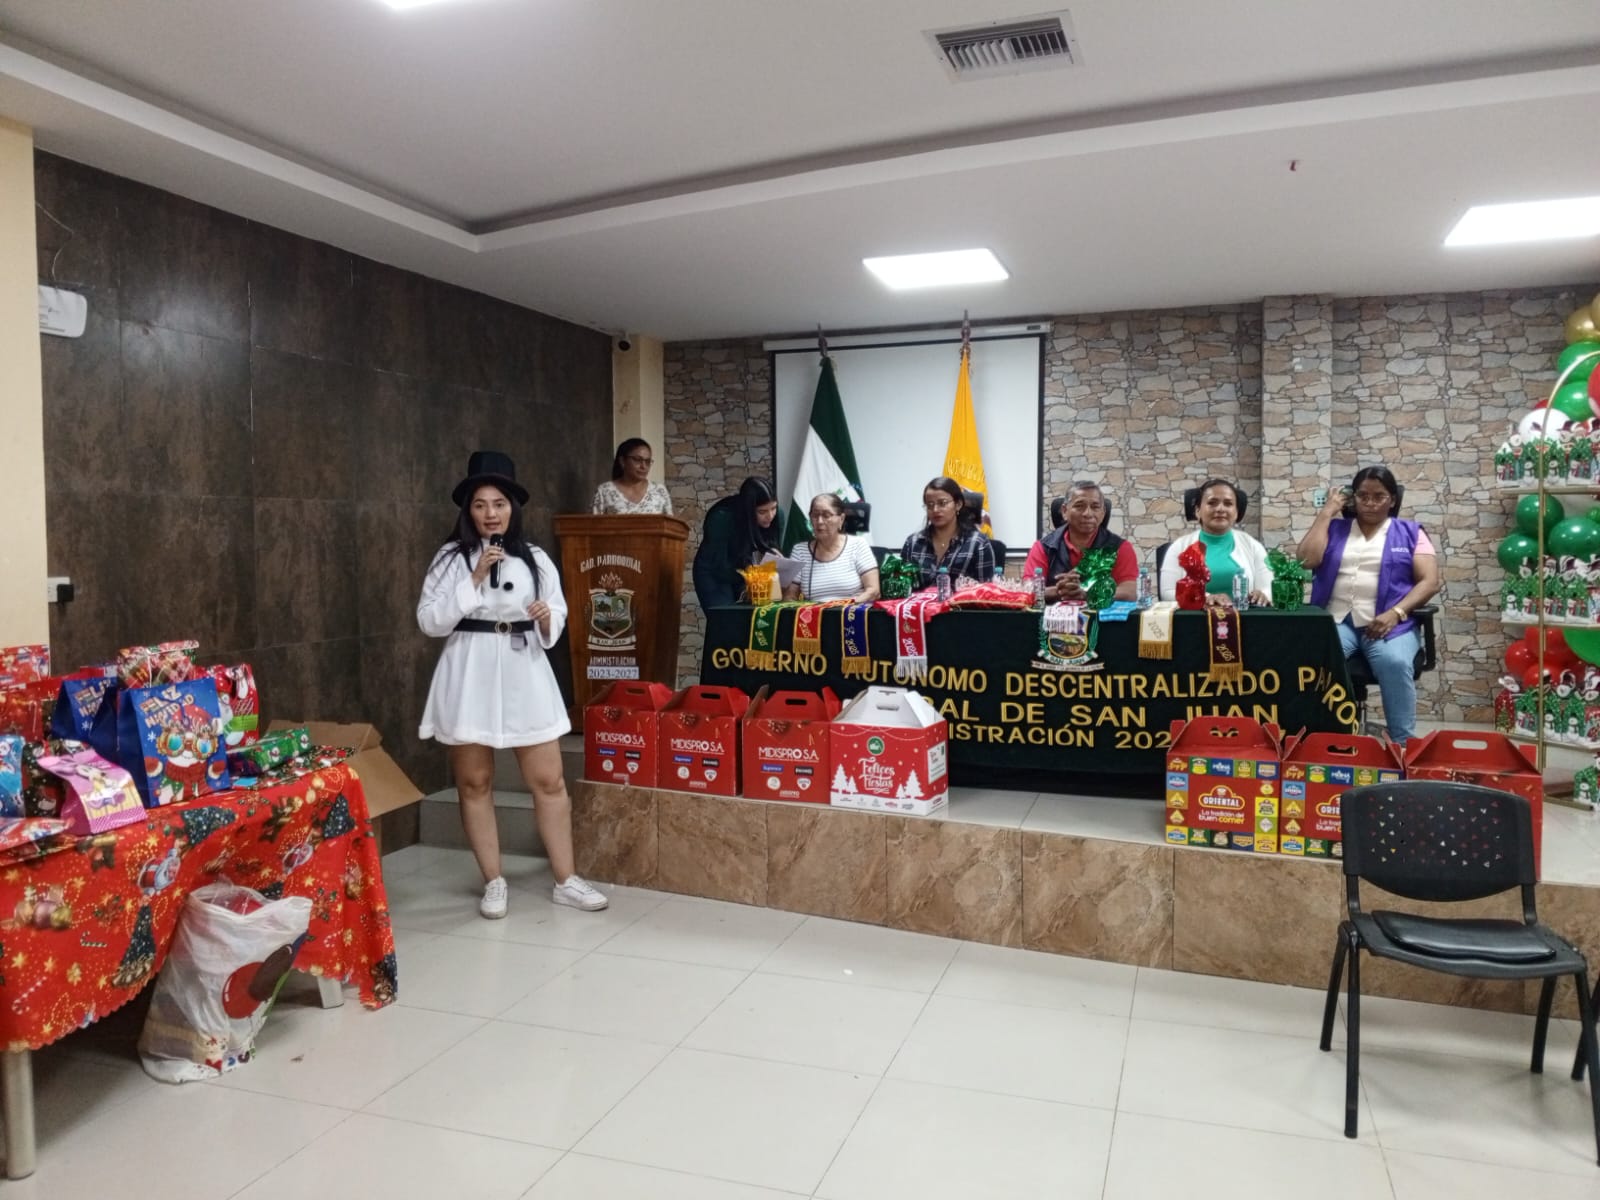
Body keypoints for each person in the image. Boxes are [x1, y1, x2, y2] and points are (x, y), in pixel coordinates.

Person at [418, 450, 608, 919]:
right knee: (474, 781)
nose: (490, 513)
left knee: (549, 779)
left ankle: (566, 879)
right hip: (469, 671)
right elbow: (430, 621)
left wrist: (545, 618)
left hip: (525, 670)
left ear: (513, 507)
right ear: (468, 510)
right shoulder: (450, 558)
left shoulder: (536, 558)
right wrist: (474, 578)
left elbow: (557, 613)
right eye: (480, 505)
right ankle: (493, 881)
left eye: (499, 503)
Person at [1298, 465, 1441, 745]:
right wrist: (1327, 512)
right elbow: (1306, 560)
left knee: (1394, 662)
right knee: (1314, 661)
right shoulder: (1335, 528)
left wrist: (1396, 613)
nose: (1370, 503)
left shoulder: (1411, 532)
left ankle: (1402, 743)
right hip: (1338, 621)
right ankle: (1321, 737)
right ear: (1353, 498)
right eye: (1363, 496)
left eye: (1379, 496)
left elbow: (1430, 582)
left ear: (1393, 499)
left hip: (1388, 624)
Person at [1158, 478, 1274, 605]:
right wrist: (1206, 597)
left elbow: (1268, 589)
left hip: (1244, 616)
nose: (1220, 509)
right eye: (1212, 503)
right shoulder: (1179, 547)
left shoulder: (1253, 546)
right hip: (1195, 616)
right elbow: (1167, 592)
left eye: (1228, 504)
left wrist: (1262, 595)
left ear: (1236, 513)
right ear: (1198, 511)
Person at [1024, 481, 1138, 602]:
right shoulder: (1043, 547)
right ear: (1064, 511)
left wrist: (1087, 593)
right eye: (1079, 506)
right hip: (1053, 614)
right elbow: (1028, 590)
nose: (1088, 513)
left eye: (1095, 507)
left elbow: (1129, 592)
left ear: (1103, 513)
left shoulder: (1119, 548)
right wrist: (1059, 590)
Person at [692, 476, 780, 609]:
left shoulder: (777, 516)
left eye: (773, 508)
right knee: (726, 617)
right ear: (748, 510)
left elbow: (769, 547)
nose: (770, 516)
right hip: (715, 572)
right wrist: (750, 576)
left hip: (743, 568)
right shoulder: (721, 518)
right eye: (762, 511)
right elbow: (719, 565)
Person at [901, 476, 996, 589]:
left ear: (958, 504)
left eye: (942, 503)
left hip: (963, 601)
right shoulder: (913, 543)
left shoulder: (978, 544)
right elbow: (903, 588)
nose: (935, 510)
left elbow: (986, 591)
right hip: (919, 601)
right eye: (930, 505)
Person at [784, 493, 881, 602]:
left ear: (841, 519)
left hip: (852, 610)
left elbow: (873, 591)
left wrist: (844, 608)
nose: (819, 521)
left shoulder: (857, 545)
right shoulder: (800, 551)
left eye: (826, 515)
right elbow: (789, 596)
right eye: (815, 515)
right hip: (815, 612)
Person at [592, 437, 673, 515]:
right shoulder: (605, 491)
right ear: (622, 461)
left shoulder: (659, 491)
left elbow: (670, 523)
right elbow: (593, 523)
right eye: (638, 460)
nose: (643, 466)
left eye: (647, 461)